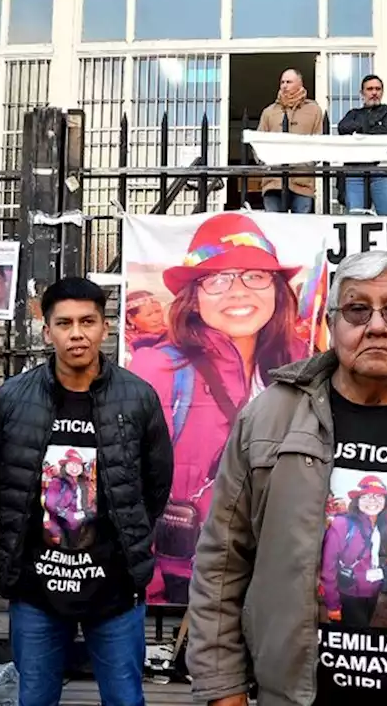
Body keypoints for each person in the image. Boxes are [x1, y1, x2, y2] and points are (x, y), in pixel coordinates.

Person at [186, 251, 387, 706]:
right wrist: (223, 688)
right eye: (357, 310)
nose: (377, 326)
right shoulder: (270, 418)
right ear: (331, 325)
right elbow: (222, 561)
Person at [0, 276, 173, 706]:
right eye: (64, 323)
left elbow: (155, 484)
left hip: (114, 587)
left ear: (105, 328)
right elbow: (3, 479)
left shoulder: (138, 397)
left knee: (125, 698)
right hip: (37, 587)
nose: (77, 333)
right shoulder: (15, 397)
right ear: (47, 331)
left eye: (87, 321)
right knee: (34, 698)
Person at [128, 211, 310, 605]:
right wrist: (153, 582)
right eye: (218, 279)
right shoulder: (157, 367)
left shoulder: (304, 365)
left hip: (279, 571)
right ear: (194, 296)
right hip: (190, 579)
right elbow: (123, 481)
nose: (238, 291)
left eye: (255, 275)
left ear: (278, 289)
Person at [258, 68, 324, 213]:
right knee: (273, 229)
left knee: (300, 230)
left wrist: (308, 163)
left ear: (299, 83)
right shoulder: (269, 112)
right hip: (273, 181)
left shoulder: (314, 110)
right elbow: (258, 142)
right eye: (282, 82)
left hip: (302, 181)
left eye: (289, 82)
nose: (284, 85)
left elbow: (319, 140)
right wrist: (264, 162)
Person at [337, 74, 387, 215]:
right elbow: (342, 128)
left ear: (382, 92)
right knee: (356, 219)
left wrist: (359, 131)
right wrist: (374, 125)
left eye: (378, 89)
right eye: (370, 89)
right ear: (362, 93)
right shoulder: (353, 113)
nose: (374, 93)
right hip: (355, 171)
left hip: (383, 170)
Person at [123, 289, 167, 354]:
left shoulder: (173, 333)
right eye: (149, 315)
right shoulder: (125, 343)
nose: (156, 318)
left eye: (158, 311)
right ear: (130, 319)